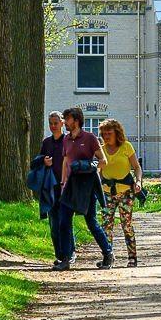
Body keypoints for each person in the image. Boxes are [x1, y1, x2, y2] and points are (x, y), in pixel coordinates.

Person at [51, 106, 113, 271]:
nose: (65, 122)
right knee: (64, 222)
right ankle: (66, 259)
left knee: (91, 222)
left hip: (87, 186)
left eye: (67, 119)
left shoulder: (90, 138)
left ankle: (108, 253)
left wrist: (87, 165)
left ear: (76, 120)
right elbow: (65, 162)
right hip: (70, 186)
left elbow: (103, 161)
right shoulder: (66, 139)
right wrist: (63, 183)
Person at [98, 118, 142, 267]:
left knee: (126, 224)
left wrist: (138, 181)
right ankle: (108, 257)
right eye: (104, 134)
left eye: (109, 133)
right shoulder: (101, 150)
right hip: (107, 192)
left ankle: (132, 257)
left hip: (126, 192)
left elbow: (137, 167)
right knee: (106, 225)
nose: (106, 136)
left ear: (117, 133)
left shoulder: (126, 147)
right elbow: (99, 171)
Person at [28, 112, 65, 262]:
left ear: (62, 123)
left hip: (65, 187)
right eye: (51, 123)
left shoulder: (68, 141)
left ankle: (69, 252)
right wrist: (44, 160)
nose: (53, 126)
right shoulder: (47, 142)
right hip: (50, 187)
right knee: (54, 223)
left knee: (65, 222)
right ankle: (59, 255)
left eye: (56, 123)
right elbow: (34, 163)